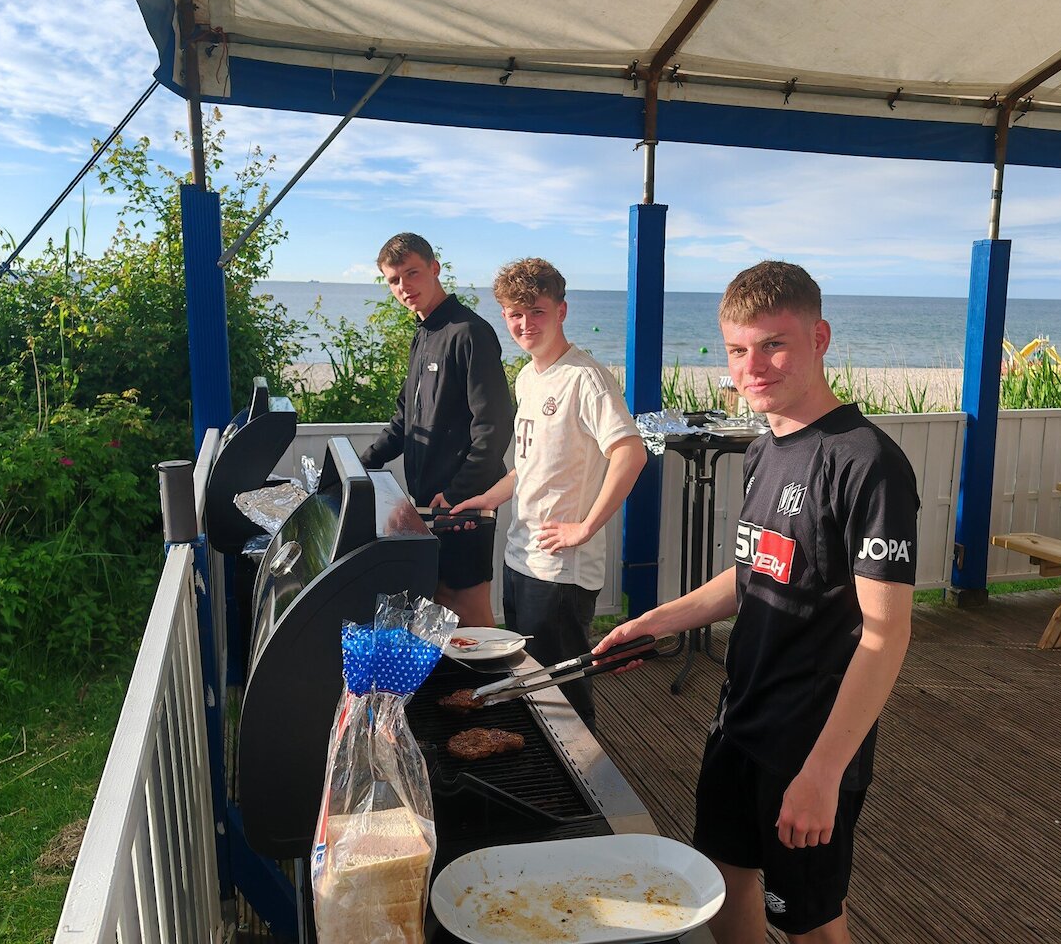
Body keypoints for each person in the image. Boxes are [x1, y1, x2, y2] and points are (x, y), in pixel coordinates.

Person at [593, 261, 918, 943]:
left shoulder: (867, 463)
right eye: (738, 350)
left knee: (810, 920)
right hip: (739, 718)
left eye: (774, 344)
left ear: (819, 336)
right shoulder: (765, 450)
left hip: (810, 739)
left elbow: (886, 638)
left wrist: (823, 773)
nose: (753, 366)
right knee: (724, 879)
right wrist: (652, 622)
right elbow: (754, 573)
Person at [451, 258, 646, 730]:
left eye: (536, 312)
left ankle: (588, 791)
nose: (525, 324)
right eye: (515, 314)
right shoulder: (529, 377)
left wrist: (586, 526)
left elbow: (630, 452)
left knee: (564, 689)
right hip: (520, 555)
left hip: (560, 569)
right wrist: (490, 497)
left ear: (561, 310)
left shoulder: (585, 378)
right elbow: (528, 463)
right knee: (528, 677)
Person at [360, 233, 514, 628]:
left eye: (411, 273)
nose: (403, 287)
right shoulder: (423, 333)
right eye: (394, 280)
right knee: (441, 600)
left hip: (464, 501)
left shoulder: (469, 332)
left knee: (467, 603)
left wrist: (461, 492)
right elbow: (403, 420)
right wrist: (360, 465)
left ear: (434, 269)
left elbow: (494, 426)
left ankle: (495, 688)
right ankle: (469, 690)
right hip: (429, 501)